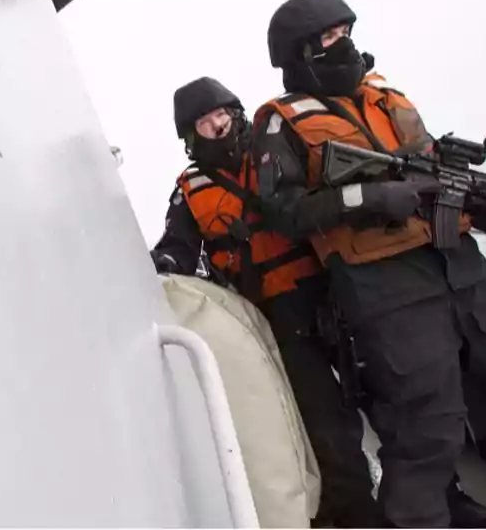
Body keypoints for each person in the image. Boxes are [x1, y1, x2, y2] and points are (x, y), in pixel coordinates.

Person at [253, 0, 486, 528]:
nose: (345, 46)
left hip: (460, 264)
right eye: (329, 39)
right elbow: (283, 213)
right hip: (387, 287)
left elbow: (429, 160)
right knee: (426, 427)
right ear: (300, 54)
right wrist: (365, 199)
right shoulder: (280, 123)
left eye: (345, 34)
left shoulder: (387, 95)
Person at [153, 76, 381, 527]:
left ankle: (429, 498)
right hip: (280, 317)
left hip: (336, 296)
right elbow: (179, 247)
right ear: (190, 136)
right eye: (204, 121)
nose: (218, 125)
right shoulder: (191, 190)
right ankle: (355, 515)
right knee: (326, 425)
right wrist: (159, 263)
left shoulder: (275, 151)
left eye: (222, 113)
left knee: (391, 398)